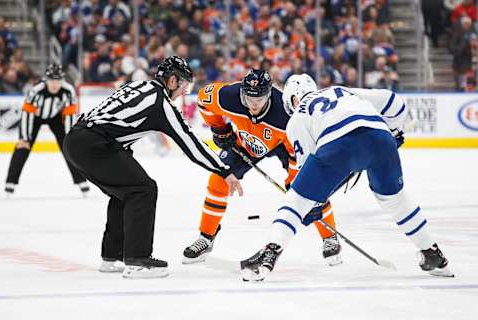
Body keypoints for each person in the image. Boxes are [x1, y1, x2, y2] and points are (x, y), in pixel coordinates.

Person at [241, 74, 453, 281]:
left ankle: (270, 253)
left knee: (296, 200)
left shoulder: (296, 120)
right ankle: (433, 254)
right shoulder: (341, 90)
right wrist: (394, 131)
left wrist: (312, 205)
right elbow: (394, 102)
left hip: (337, 144)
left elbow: (308, 172)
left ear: (292, 100)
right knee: (395, 200)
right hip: (380, 138)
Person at [63, 56, 243, 279]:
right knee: (143, 189)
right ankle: (137, 260)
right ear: (172, 81)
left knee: (125, 192)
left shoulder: (139, 85)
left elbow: (114, 119)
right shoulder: (161, 104)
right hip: (95, 145)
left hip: (76, 139)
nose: (184, 92)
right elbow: (191, 144)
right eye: (184, 86)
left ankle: (112, 256)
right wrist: (223, 170)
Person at [182, 69, 342, 266]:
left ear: (269, 94)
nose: (253, 104)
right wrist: (220, 129)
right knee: (218, 179)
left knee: (308, 186)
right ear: (242, 92)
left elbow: (296, 155)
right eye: (248, 98)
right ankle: (206, 238)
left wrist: (294, 182)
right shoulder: (229, 96)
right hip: (246, 141)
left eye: (259, 99)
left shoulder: (286, 116)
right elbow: (204, 99)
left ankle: (329, 237)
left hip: (285, 145)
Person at [4, 63, 89, 196]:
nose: (55, 84)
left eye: (58, 80)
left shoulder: (68, 90)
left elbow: (70, 115)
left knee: (68, 147)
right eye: (52, 80)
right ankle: (10, 182)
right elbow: (27, 114)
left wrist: (70, 137)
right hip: (34, 118)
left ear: (62, 80)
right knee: (22, 147)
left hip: (55, 117)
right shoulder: (36, 91)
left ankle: (81, 181)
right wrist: (24, 138)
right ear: (46, 80)